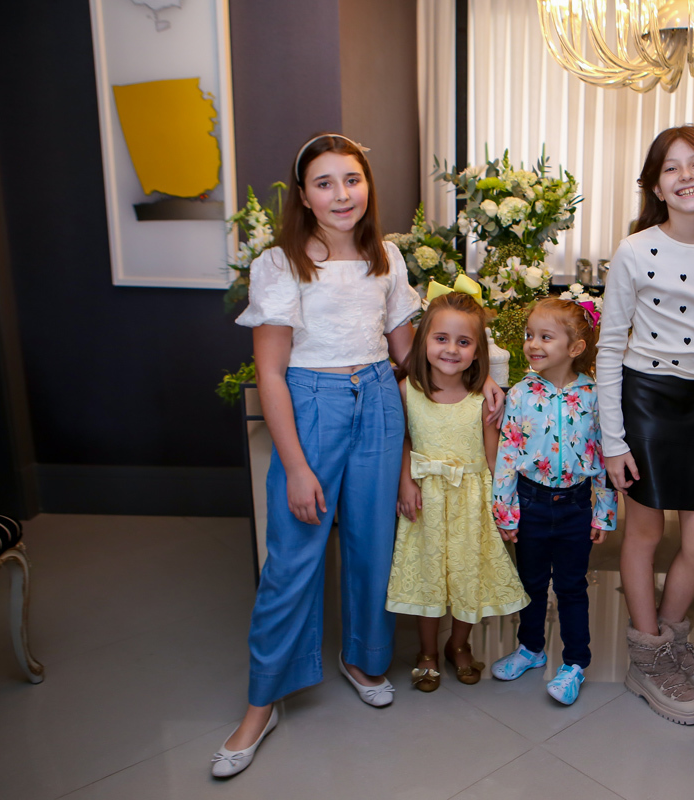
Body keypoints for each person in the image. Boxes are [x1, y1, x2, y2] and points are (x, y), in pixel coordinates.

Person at [213, 134, 501, 778]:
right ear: (303, 195)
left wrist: (479, 381)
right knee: (293, 556)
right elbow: (270, 373)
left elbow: (410, 354)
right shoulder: (280, 265)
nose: (341, 194)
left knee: (374, 543)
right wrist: (295, 466)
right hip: (311, 403)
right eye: (324, 183)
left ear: (367, 185)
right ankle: (262, 703)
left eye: (352, 179)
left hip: (378, 399)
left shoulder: (385, 257)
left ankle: (363, 659)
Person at [597, 125, 694, 725]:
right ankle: (648, 658)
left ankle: (667, 638)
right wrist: (614, 441)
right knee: (644, 533)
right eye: (671, 167)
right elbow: (610, 347)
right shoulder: (635, 250)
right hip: (646, 402)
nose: (686, 176)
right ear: (656, 187)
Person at [386, 288, 528, 691]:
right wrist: (405, 483)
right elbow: (404, 440)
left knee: (470, 575)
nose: (451, 349)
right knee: (428, 575)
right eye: (441, 338)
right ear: (423, 341)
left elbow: (493, 458)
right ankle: (427, 652)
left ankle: (459, 645)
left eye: (464, 342)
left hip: (471, 501)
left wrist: (504, 507)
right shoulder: (407, 390)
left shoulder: (482, 399)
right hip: (426, 500)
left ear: (477, 350)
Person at [489, 297, 617, 705]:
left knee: (571, 586)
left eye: (545, 337)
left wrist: (604, 511)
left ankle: (575, 663)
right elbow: (507, 454)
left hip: (576, 506)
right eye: (530, 335)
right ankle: (531, 649)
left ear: (575, 347)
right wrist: (505, 510)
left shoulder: (595, 396)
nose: (532, 343)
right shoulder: (520, 394)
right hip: (530, 502)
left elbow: (605, 455)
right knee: (530, 583)